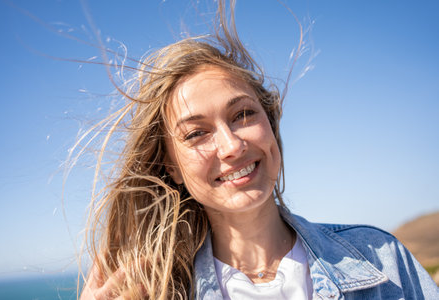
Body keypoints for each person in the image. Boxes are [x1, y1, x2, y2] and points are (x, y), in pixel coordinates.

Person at [79, 1, 438, 299]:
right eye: (196, 134)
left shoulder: (381, 259)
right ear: (170, 167)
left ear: (271, 122)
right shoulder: (158, 294)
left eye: (243, 114)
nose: (232, 145)